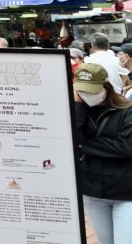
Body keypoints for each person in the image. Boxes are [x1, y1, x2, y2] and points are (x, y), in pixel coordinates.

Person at [73, 62, 132, 244]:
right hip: (92, 192)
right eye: (82, 91)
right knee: (106, 241)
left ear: (105, 87)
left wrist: (86, 145)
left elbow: (126, 147)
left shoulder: (126, 110)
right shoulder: (79, 111)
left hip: (125, 192)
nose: (87, 95)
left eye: (91, 90)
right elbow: (72, 139)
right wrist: (78, 106)